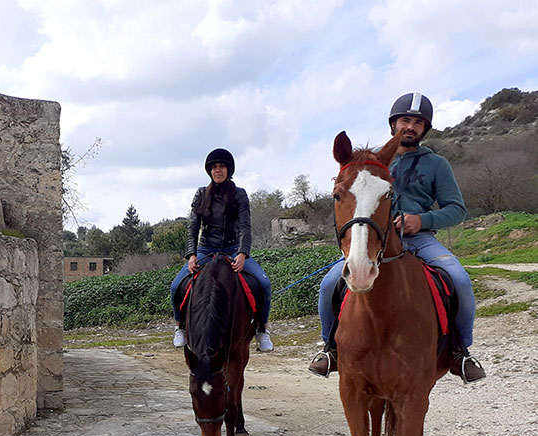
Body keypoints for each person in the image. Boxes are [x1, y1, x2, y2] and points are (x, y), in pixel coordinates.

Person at [309, 92, 486, 383]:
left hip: (420, 240)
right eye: (405, 120)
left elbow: (457, 209)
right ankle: (330, 348)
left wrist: (423, 220)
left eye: (418, 122)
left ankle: (461, 352)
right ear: (393, 124)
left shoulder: (437, 164)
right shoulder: (372, 160)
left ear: (425, 129)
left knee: (460, 280)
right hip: (374, 242)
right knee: (329, 284)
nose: (410, 127)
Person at [170, 148, 273, 352]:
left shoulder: (240, 194)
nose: (218, 170)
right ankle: (179, 326)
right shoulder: (201, 194)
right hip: (206, 249)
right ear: (209, 171)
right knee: (175, 286)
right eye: (214, 167)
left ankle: (262, 329)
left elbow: (245, 227)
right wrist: (191, 255)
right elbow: (193, 227)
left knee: (264, 283)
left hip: (233, 249)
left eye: (222, 166)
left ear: (229, 170)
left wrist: (242, 253)